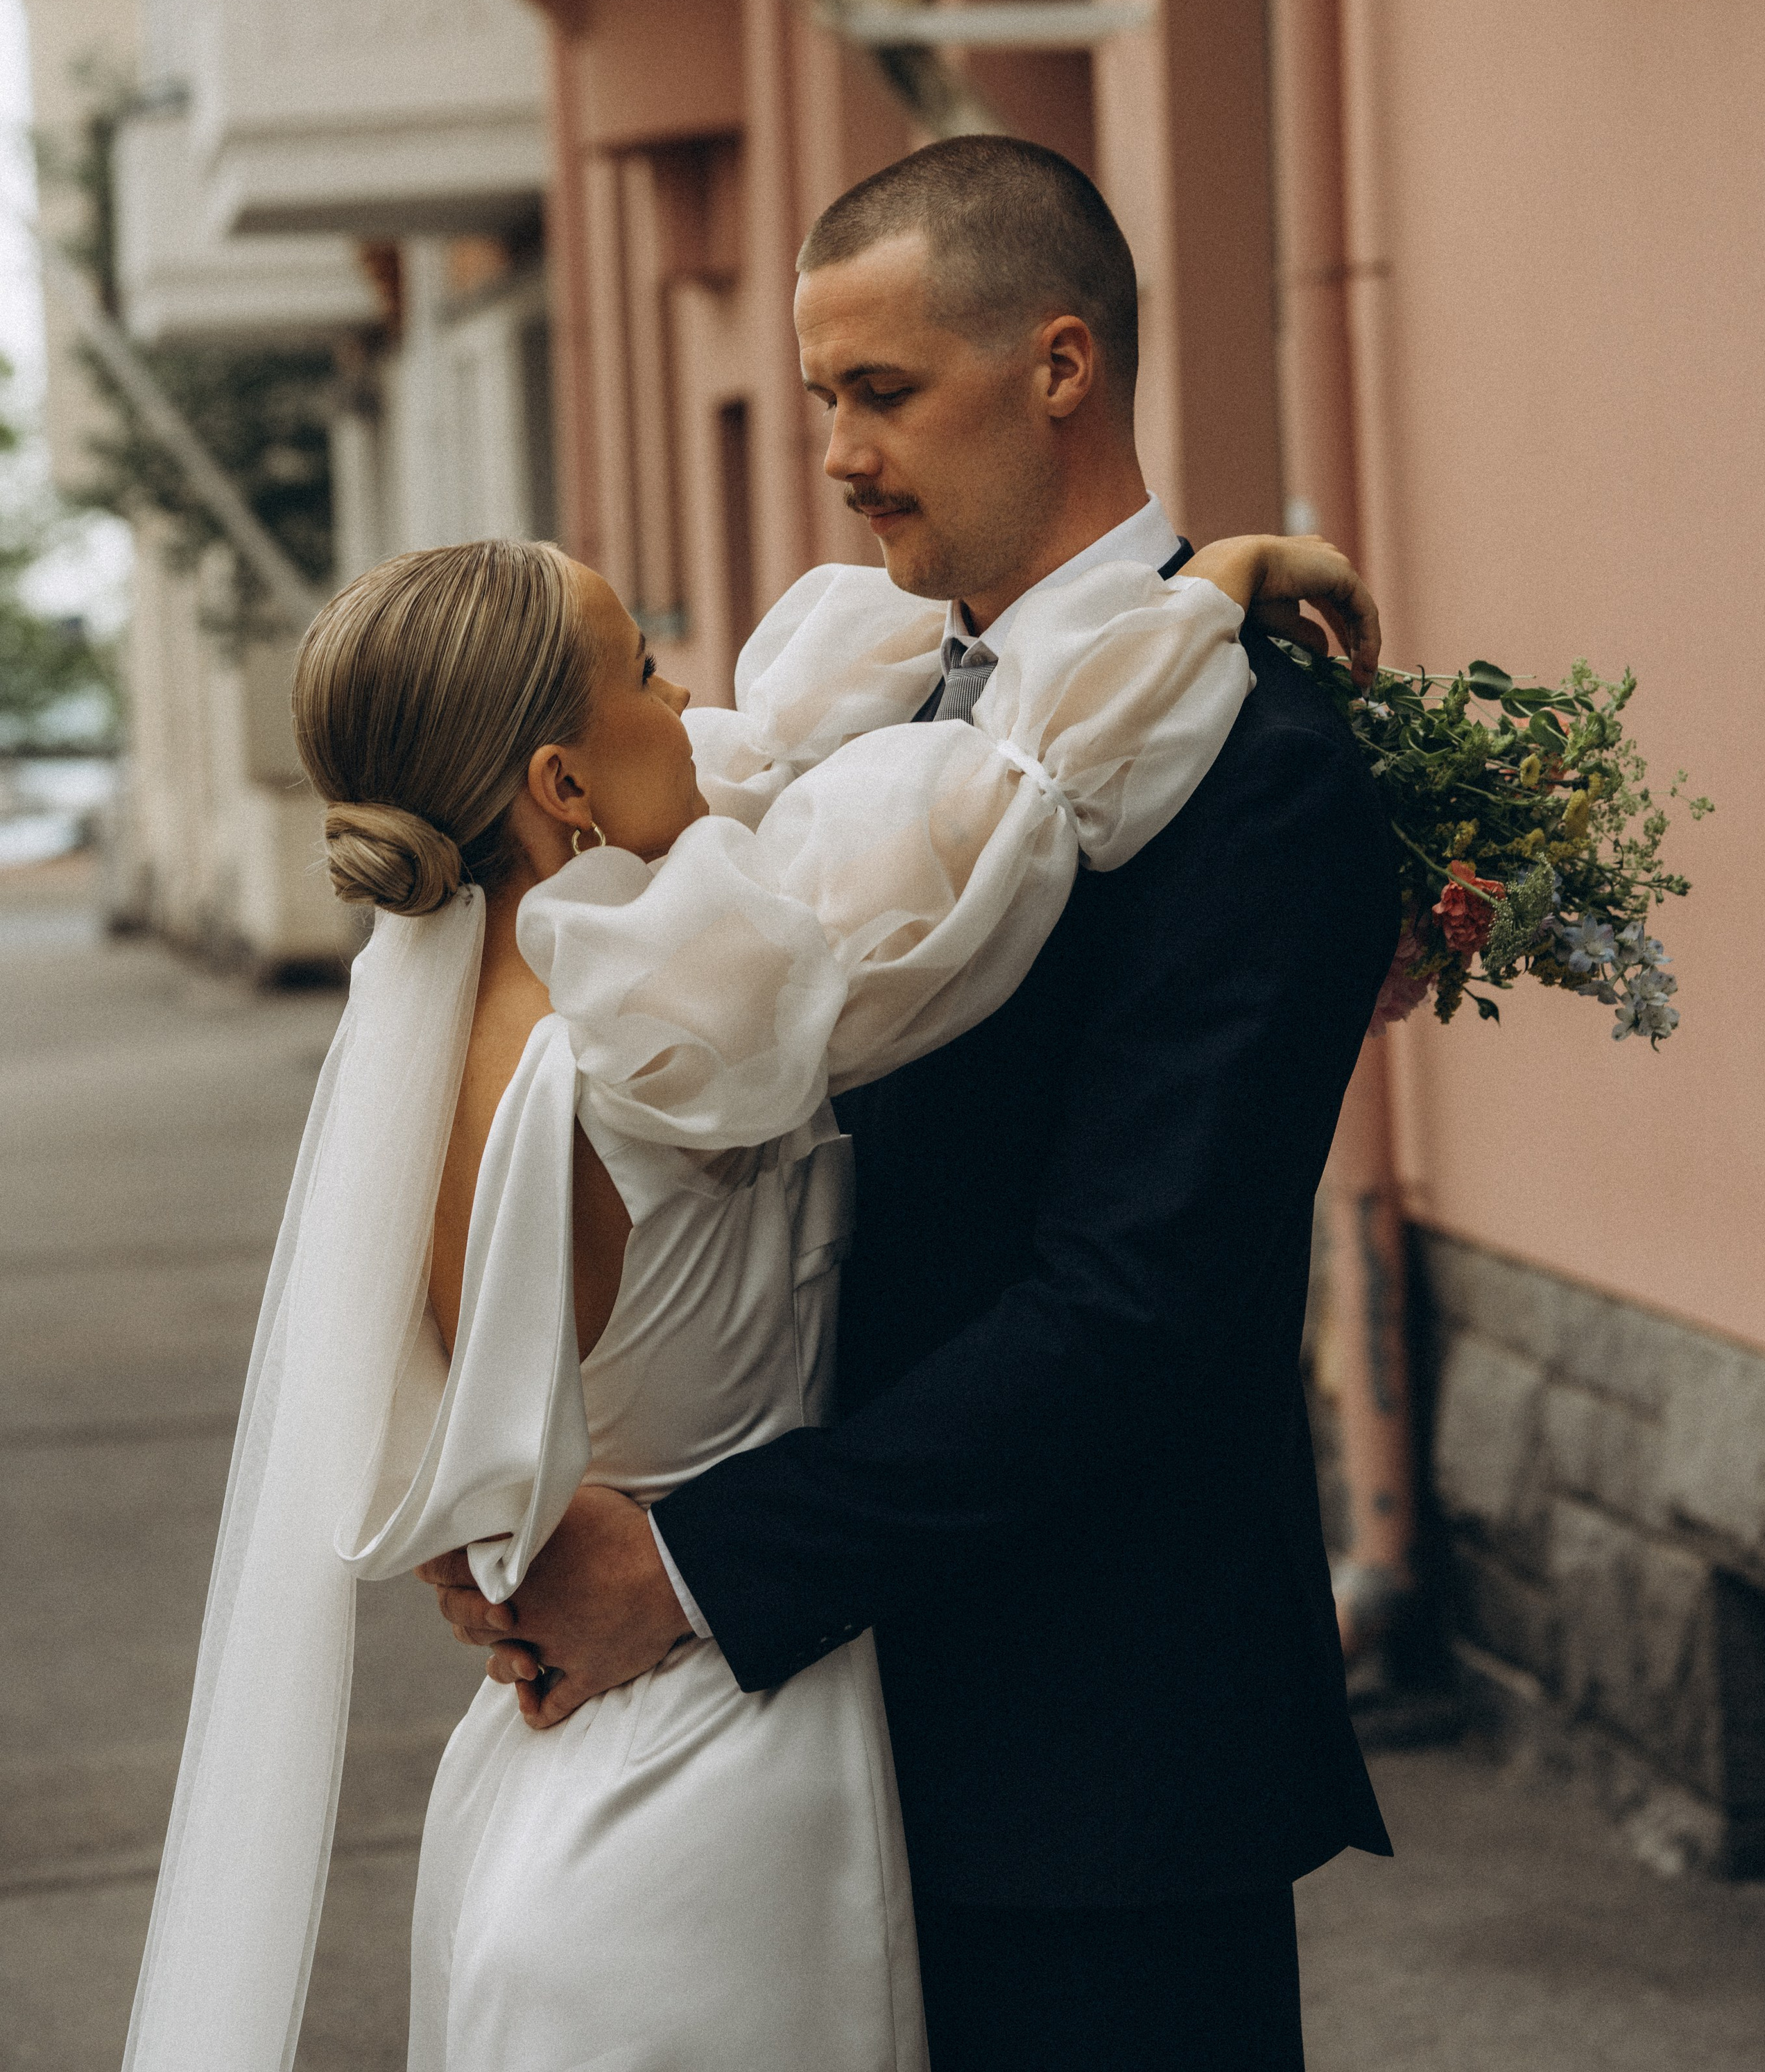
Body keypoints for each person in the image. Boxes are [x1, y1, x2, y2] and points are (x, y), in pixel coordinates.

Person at [121, 503, 1370, 2070]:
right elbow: (1014, 816)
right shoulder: (662, 1036)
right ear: (559, 787)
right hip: (709, 1794)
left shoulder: (435, 1055)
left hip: (540, 1786)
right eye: (645, 674)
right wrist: (1199, 599)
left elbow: (774, 758)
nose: (694, 705)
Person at [425, 137, 1400, 2072]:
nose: (842, 453)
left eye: (885, 393)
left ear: (1061, 366)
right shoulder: (878, 697)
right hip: (800, 1744)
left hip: (1086, 1761)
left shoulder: (1261, 768)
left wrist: (692, 1570)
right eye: (821, 402)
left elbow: (1147, 1303)